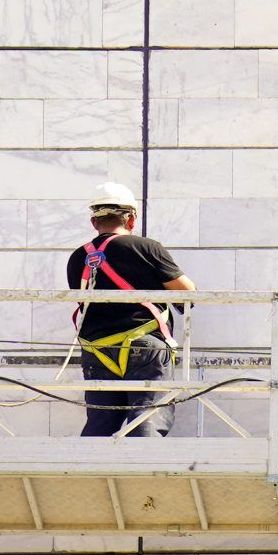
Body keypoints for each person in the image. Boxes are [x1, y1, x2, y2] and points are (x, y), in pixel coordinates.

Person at [65, 182, 191, 437]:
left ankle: (92, 474)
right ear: (131, 219)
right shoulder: (146, 247)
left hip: (97, 351)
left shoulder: (78, 257)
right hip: (144, 346)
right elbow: (187, 292)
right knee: (147, 418)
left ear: (94, 222)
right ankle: (141, 474)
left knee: (101, 423)